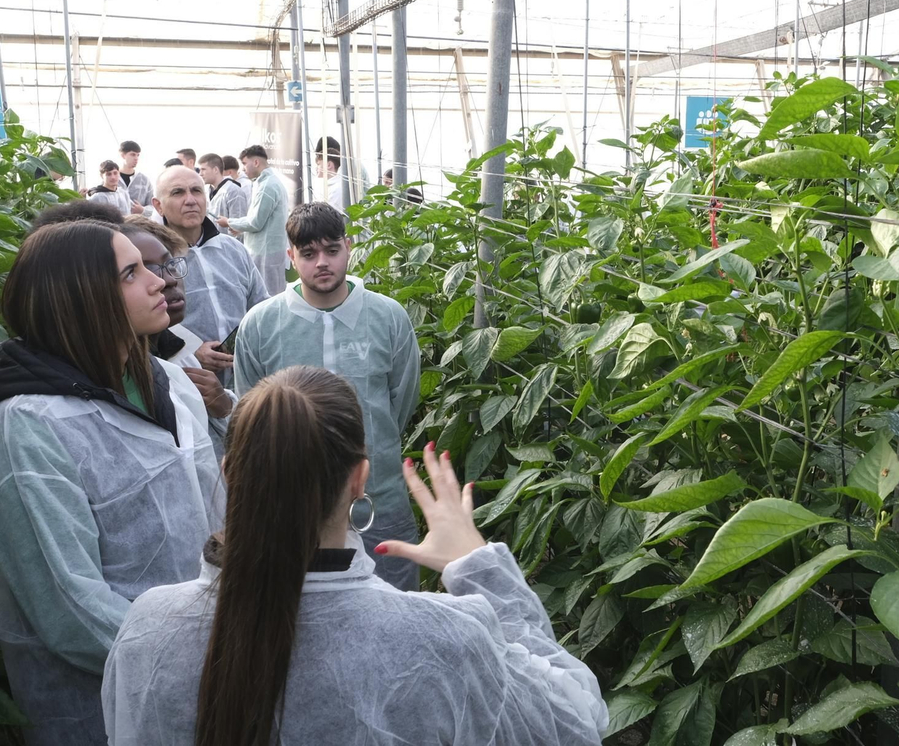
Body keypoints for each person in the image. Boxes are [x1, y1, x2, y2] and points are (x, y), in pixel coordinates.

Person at [102, 369, 606, 746]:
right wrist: (480, 567)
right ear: (360, 478)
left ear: (231, 473)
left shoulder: (148, 627)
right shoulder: (446, 638)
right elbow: (575, 724)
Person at [0, 220, 224, 746]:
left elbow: (216, 512)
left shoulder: (168, 380)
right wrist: (197, 657)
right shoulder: (26, 426)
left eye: (152, 267)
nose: (159, 282)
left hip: (207, 661)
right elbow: (71, 606)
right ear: (78, 299)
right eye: (131, 273)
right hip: (102, 699)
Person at [233, 202, 421, 589]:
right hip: (291, 499)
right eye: (308, 253)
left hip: (377, 495)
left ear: (348, 248)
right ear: (290, 257)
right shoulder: (261, 324)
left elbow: (400, 402)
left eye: (332, 250)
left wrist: (374, 445)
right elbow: (252, 407)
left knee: (396, 604)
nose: (322, 262)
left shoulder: (388, 318)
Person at [152, 166, 267, 378]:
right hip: (188, 380)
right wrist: (189, 350)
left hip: (245, 375)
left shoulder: (233, 249)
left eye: (196, 191)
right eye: (178, 192)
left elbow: (261, 305)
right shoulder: (153, 260)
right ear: (158, 206)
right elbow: (145, 319)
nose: (190, 200)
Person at [123, 216, 235, 431]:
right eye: (145, 270)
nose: (168, 280)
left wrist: (224, 406)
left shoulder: (181, 345)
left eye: (171, 264)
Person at [217, 145, 288, 296]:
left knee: (268, 297)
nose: (243, 169)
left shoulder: (267, 186)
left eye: (244, 163)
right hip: (268, 250)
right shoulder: (267, 183)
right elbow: (256, 219)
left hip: (265, 253)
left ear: (255, 162)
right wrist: (240, 227)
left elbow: (255, 222)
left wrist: (229, 222)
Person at [199, 152, 249, 233]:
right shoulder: (205, 190)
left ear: (215, 170)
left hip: (227, 243)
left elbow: (238, 227)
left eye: (203, 169)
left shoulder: (234, 191)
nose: (200, 174)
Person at [314, 136, 347, 213]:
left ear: (329, 165)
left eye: (318, 164)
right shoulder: (332, 185)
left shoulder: (337, 189)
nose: (316, 168)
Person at [118, 141, 153, 212]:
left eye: (138, 155)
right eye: (133, 154)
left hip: (138, 222)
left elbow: (152, 205)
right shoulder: (111, 177)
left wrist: (143, 210)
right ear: (123, 155)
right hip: (115, 222)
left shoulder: (144, 180)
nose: (136, 158)